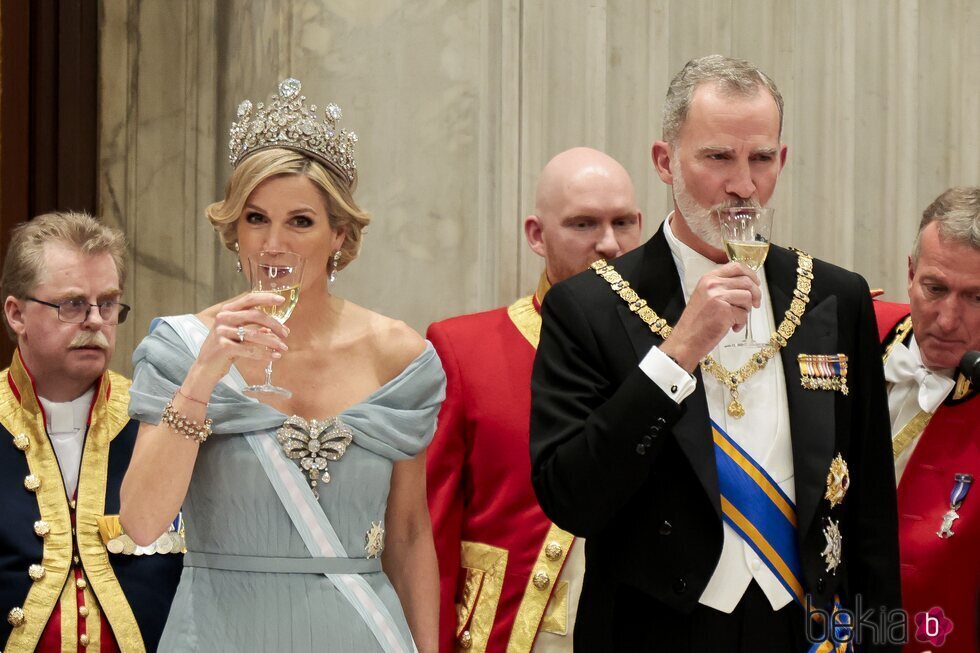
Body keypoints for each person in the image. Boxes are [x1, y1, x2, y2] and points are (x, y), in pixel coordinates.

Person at [529, 55, 902, 651]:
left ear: (782, 158)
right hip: (657, 628)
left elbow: (871, 514)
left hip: (804, 626)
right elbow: (572, 497)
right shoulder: (588, 307)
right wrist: (675, 353)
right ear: (664, 161)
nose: (743, 185)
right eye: (717, 157)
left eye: (761, 158)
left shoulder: (835, 296)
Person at [118, 78, 445, 653]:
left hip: (361, 635)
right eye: (255, 218)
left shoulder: (398, 356)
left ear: (338, 236)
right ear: (233, 230)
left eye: (300, 221)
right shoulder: (181, 347)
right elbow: (142, 523)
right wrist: (204, 375)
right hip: (218, 634)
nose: (273, 244)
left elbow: (411, 535)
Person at [426, 147, 642, 652]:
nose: (608, 244)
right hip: (513, 633)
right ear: (537, 235)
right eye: (584, 224)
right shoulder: (464, 349)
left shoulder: (679, 348)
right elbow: (429, 534)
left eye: (623, 223)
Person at [1, 212, 182, 652]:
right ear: (16, 313)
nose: (96, 321)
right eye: (73, 304)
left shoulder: (160, 423)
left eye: (108, 304)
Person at [874, 187, 980, 653]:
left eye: (977, 297)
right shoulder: (849, 329)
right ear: (910, 273)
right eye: (935, 289)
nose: (947, 318)